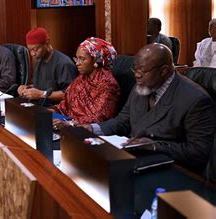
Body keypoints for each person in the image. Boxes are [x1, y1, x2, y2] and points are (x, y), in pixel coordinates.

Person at [82, 44, 216, 173]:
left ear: (163, 71)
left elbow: (198, 152)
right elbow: (122, 120)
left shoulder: (195, 99)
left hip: (171, 168)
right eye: (135, 69)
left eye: (142, 71)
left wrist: (154, 146)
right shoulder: (141, 87)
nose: (136, 75)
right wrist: (93, 128)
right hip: (136, 159)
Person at [53, 37, 120, 126]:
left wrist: (71, 123)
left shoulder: (108, 84)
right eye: (77, 58)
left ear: (95, 60)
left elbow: (100, 117)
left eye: (82, 59)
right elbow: (65, 105)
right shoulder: (81, 79)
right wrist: (51, 111)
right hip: (68, 124)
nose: (77, 63)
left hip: (90, 132)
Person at [18, 27, 77, 104]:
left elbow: (70, 95)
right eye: (30, 50)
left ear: (47, 43)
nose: (32, 54)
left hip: (57, 109)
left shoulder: (64, 63)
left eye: (35, 49)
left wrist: (41, 94)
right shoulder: (39, 60)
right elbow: (43, 86)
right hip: (40, 105)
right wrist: (27, 89)